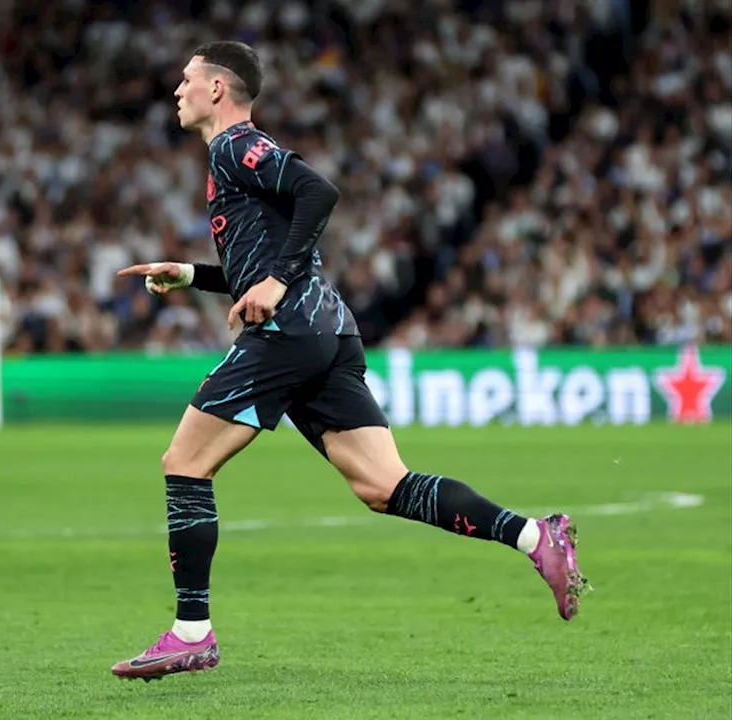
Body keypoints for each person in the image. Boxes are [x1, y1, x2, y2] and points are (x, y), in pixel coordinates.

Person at [110, 42, 588, 682]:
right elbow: (265, 264)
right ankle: (536, 537)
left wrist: (275, 283)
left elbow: (318, 191)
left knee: (184, 463)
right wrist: (193, 274)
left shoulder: (234, 147)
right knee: (384, 486)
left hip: (290, 329)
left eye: (188, 78)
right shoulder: (230, 159)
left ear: (219, 89)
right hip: (326, 328)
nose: (177, 88)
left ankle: (191, 632)